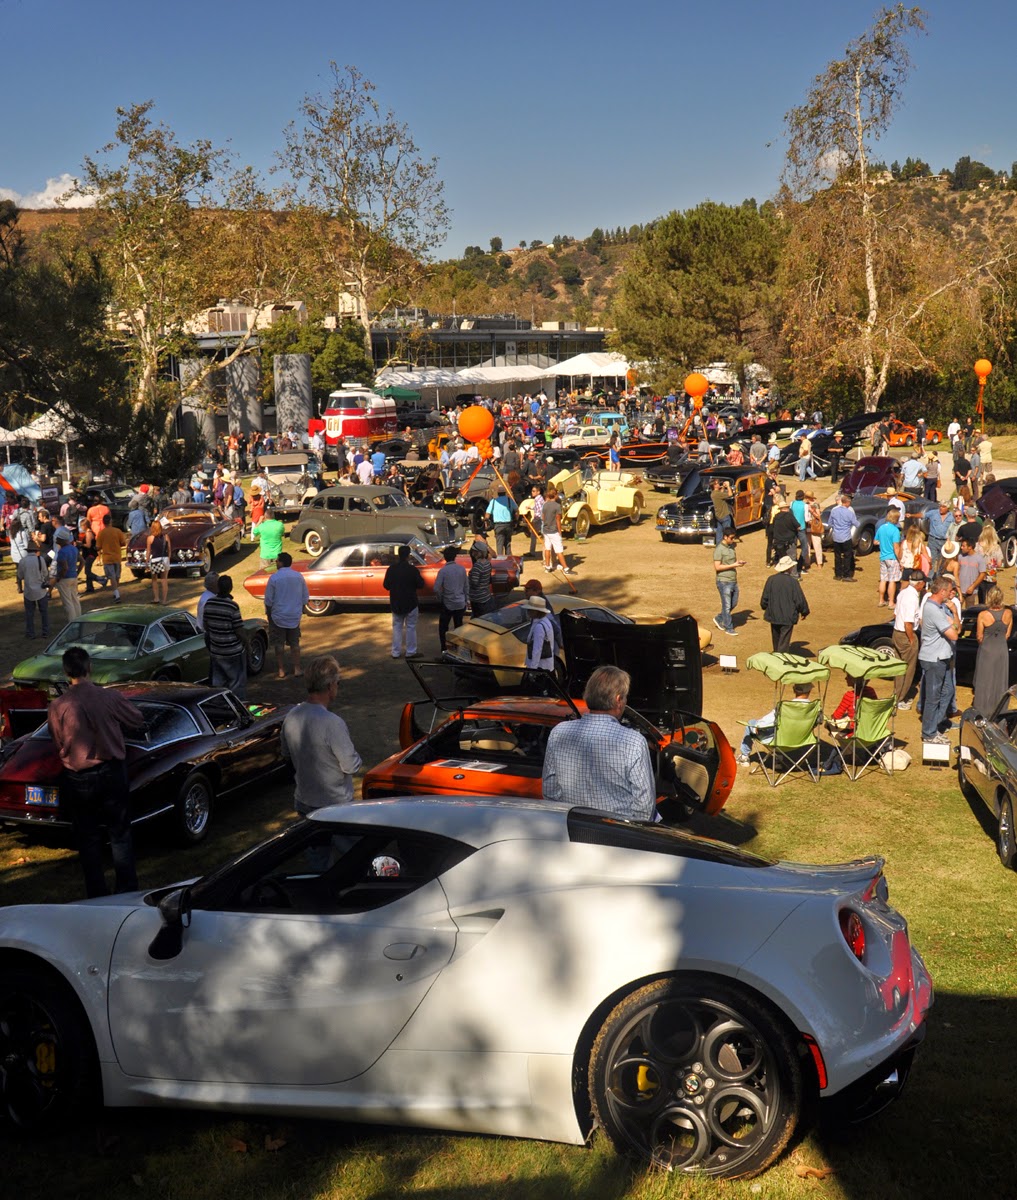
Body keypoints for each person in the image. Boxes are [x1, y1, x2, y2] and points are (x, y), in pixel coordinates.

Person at [48, 646, 145, 897]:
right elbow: (136, 719)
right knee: (119, 833)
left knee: (88, 837)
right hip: (111, 771)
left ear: (66, 672)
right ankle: (126, 890)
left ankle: (97, 894)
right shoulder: (108, 697)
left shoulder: (58, 706)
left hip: (79, 776)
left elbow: (58, 741)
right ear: (89, 668)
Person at [542, 665, 655, 820]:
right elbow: (644, 807)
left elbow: (550, 791)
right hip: (616, 831)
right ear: (618, 700)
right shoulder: (633, 741)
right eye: (625, 697)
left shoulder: (559, 732)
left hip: (571, 827)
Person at [280, 655, 362, 815]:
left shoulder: (291, 716)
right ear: (330, 686)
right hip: (335, 805)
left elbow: (286, 755)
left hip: (303, 801)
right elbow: (351, 766)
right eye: (338, 683)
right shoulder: (332, 723)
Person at [918, 574, 961, 744]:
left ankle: (935, 725)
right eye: (950, 591)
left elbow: (956, 627)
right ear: (942, 591)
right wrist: (953, 624)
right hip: (934, 658)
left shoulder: (939, 607)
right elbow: (954, 634)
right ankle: (929, 733)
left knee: (947, 691)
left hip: (942, 657)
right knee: (933, 697)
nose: (952, 594)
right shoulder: (934, 610)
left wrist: (955, 614)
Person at [736, 683, 814, 764]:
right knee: (779, 728)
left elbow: (765, 722)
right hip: (802, 741)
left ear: (794, 690)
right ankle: (778, 759)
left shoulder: (785, 707)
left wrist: (757, 726)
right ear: (810, 691)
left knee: (751, 723)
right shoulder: (814, 708)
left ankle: (744, 757)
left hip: (780, 743)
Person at [819, 677, 879, 776]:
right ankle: (852, 755)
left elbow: (836, 716)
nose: (845, 678)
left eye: (848, 676)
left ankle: (850, 754)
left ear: (854, 680)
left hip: (855, 733)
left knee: (830, 725)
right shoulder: (871, 691)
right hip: (872, 731)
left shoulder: (850, 695)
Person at [202, 574, 249, 699]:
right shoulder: (232, 606)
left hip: (216, 650)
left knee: (218, 682)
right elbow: (239, 630)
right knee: (236, 683)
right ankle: (238, 704)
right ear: (230, 588)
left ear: (218, 587)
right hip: (233, 651)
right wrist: (247, 644)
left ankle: (220, 704)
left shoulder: (209, 603)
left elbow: (206, 625)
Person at [264, 551, 310, 677]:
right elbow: (305, 597)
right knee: (295, 643)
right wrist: (299, 610)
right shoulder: (298, 576)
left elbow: (268, 600)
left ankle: (281, 670)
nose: (276, 562)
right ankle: (297, 668)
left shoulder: (274, 578)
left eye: (277, 560)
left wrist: (269, 615)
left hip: (278, 616)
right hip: (294, 616)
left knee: (279, 644)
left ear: (281, 562)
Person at [973, 585, 1013, 715]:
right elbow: (1007, 635)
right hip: (1001, 650)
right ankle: (999, 709)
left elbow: (979, 636)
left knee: (985, 679)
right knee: (1000, 680)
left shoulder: (983, 615)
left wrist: (986, 642)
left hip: (987, 650)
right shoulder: (1008, 613)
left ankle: (983, 710)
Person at [891, 570, 926, 710]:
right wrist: (911, 639)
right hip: (906, 634)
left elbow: (896, 614)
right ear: (919, 584)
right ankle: (900, 698)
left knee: (899, 667)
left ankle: (896, 694)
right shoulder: (912, 598)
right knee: (908, 669)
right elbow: (908, 623)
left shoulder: (903, 592)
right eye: (923, 583)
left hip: (897, 633)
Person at [383, 543, 425, 659]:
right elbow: (421, 584)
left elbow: (386, 585)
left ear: (398, 555)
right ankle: (411, 652)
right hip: (411, 602)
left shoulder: (391, 569)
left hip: (396, 602)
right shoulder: (412, 570)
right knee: (411, 627)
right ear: (408, 555)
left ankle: (395, 652)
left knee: (397, 627)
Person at [760, 556, 810, 652]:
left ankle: (776, 655)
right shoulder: (793, 582)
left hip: (774, 615)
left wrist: (765, 607)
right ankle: (781, 657)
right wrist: (804, 612)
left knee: (776, 640)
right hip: (788, 616)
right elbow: (799, 600)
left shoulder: (771, 579)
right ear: (789, 568)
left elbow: (765, 598)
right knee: (784, 642)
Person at [433, 544, 468, 652]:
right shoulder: (461, 569)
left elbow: (436, 588)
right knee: (459, 627)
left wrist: (441, 597)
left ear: (445, 557)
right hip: (460, 602)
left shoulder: (443, 571)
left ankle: (444, 649)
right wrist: (466, 600)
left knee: (443, 627)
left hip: (448, 603)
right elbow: (466, 587)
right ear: (455, 557)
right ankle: (458, 649)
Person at [712, 527, 744, 636]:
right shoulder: (719, 549)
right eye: (731, 538)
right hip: (723, 581)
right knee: (726, 605)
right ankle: (728, 627)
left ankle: (719, 618)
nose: (733, 540)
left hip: (733, 580)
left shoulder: (731, 547)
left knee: (733, 603)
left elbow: (731, 562)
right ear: (725, 537)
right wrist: (734, 565)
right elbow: (717, 567)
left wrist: (738, 563)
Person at [18, 540, 51, 639]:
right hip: (41, 590)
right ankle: (45, 632)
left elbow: (20, 576)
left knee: (29, 614)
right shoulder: (40, 559)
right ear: (36, 550)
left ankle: (30, 633)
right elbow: (45, 574)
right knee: (44, 612)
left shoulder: (22, 561)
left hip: (28, 591)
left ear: (28, 550)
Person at [95, 512, 129, 602]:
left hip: (107, 558)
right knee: (117, 576)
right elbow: (123, 543)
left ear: (103, 523)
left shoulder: (101, 533)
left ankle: (116, 594)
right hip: (117, 556)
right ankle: (116, 592)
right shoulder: (117, 531)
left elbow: (98, 547)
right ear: (111, 521)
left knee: (112, 576)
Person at [52, 525, 82, 621]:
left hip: (64, 579)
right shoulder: (74, 549)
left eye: (57, 538)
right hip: (73, 576)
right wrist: (77, 572)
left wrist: (58, 577)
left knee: (68, 603)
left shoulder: (62, 552)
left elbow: (65, 567)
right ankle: (79, 619)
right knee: (75, 599)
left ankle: (72, 622)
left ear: (61, 539)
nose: (56, 540)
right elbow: (82, 561)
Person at [541, 485, 572, 575]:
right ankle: (566, 568)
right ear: (555, 495)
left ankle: (547, 566)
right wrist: (560, 531)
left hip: (546, 530)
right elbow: (558, 520)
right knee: (559, 550)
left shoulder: (545, 505)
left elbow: (543, 517)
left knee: (547, 548)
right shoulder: (557, 506)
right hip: (554, 531)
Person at [875, 507, 903, 608]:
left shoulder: (881, 528)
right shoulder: (895, 530)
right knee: (892, 580)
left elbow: (875, 541)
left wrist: (883, 543)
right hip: (892, 558)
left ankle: (881, 600)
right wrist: (900, 561)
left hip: (883, 557)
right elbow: (896, 548)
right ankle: (891, 602)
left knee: (883, 579)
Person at [523, 593, 557, 670]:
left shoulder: (539, 626)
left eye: (530, 610)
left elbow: (537, 650)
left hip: (540, 667)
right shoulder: (545, 621)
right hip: (546, 666)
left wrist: (533, 669)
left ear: (536, 611)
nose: (528, 612)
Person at [829, 492, 858, 582]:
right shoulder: (849, 512)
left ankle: (838, 575)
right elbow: (856, 523)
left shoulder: (834, 511)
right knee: (847, 556)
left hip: (836, 536)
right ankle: (846, 575)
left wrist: (836, 527)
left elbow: (830, 523)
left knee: (837, 556)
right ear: (847, 502)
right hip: (846, 537)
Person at [485, 483, 518, 555]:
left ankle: (500, 558)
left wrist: (486, 522)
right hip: (508, 524)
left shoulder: (494, 501)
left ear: (498, 493)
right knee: (508, 543)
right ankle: (508, 557)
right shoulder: (509, 500)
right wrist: (516, 520)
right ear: (505, 493)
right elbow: (516, 511)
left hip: (498, 525)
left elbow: (487, 514)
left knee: (499, 544)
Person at [145, 518, 171, 604]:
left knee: (154, 579)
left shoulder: (150, 538)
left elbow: (148, 551)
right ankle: (164, 600)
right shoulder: (166, 537)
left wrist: (147, 561)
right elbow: (169, 549)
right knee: (164, 579)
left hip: (155, 560)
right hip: (165, 559)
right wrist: (168, 558)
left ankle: (156, 598)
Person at [468, 537, 495, 616]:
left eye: (474, 551)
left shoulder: (477, 565)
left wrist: (468, 578)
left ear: (478, 552)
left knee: (477, 618)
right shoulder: (487, 563)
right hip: (485, 595)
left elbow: (474, 583)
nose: (472, 552)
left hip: (477, 598)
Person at [956, 538, 987, 608]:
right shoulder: (960, 556)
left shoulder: (979, 559)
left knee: (969, 610)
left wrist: (973, 586)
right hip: (959, 589)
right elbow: (957, 571)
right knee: (956, 608)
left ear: (970, 547)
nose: (961, 547)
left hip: (971, 591)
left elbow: (982, 574)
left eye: (963, 546)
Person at [710, 478, 734, 545]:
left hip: (719, 517)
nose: (719, 484)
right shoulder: (717, 494)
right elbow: (730, 494)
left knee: (719, 533)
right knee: (727, 533)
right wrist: (728, 486)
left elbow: (721, 493)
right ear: (714, 485)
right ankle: (727, 545)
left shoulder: (713, 493)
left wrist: (723, 487)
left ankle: (719, 546)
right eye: (717, 483)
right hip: (725, 516)